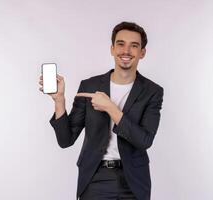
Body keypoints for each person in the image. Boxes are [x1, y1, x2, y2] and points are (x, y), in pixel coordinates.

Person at [39, 21, 164, 200]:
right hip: (95, 177)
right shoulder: (89, 86)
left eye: (134, 46)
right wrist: (59, 101)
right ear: (112, 49)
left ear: (142, 53)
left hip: (134, 181)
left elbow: (144, 140)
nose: (126, 51)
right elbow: (65, 140)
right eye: (120, 44)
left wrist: (111, 108)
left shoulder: (152, 91)